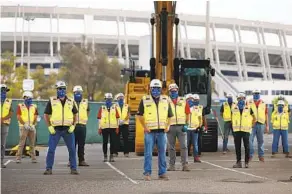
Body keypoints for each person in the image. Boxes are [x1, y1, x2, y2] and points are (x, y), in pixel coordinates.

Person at [137, 79, 173, 181]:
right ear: (150, 89)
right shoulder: (145, 100)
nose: (156, 91)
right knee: (148, 153)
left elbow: (170, 115)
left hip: (162, 132)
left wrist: (168, 126)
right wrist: (145, 127)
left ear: (161, 89)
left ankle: (162, 173)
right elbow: (139, 115)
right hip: (149, 132)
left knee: (162, 153)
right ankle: (147, 173)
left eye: (158, 89)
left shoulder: (166, 99)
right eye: (154, 89)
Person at [43, 81, 78, 175]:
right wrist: (49, 126)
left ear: (65, 90)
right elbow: (46, 115)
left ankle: (73, 168)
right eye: (59, 89)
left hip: (68, 130)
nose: (61, 90)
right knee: (51, 149)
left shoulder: (71, 101)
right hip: (55, 130)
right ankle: (48, 168)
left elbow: (76, 114)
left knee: (72, 149)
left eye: (63, 89)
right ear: (57, 90)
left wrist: (74, 125)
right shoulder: (52, 100)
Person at [166, 83, 190, 172]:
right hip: (170, 127)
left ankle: (185, 165)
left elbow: (187, 113)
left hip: (181, 126)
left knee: (183, 146)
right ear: (169, 92)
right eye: (172, 91)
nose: (173, 93)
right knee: (171, 147)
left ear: (177, 91)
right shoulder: (166, 101)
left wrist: (186, 124)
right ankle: (172, 165)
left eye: (175, 91)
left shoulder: (183, 100)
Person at [232, 92, 255, 168]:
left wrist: (251, 125)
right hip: (237, 130)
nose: (241, 100)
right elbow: (232, 118)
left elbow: (254, 118)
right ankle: (238, 162)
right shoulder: (234, 107)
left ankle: (246, 162)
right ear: (237, 99)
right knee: (237, 147)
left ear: (245, 99)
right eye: (239, 98)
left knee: (247, 147)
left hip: (245, 131)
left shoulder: (249, 107)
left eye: (242, 98)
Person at [69, 85, 90, 166]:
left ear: (82, 93)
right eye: (76, 92)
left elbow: (88, 111)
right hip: (72, 126)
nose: (78, 94)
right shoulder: (70, 101)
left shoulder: (85, 102)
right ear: (73, 93)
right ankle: (71, 160)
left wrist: (84, 119)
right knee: (72, 144)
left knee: (81, 144)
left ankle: (81, 160)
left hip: (82, 126)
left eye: (79, 92)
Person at [16, 91, 38, 163]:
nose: (29, 99)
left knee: (32, 143)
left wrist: (33, 125)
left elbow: (35, 116)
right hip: (23, 127)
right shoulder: (20, 106)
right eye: (28, 98)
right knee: (21, 143)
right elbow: (19, 116)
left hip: (31, 127)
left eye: (30, 98)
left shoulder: (34, 106)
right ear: (24, 98)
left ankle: (33, 158)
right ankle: (18, 157)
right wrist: (24, 124)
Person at [97, 93, 120, 162]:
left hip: (113, 128)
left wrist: (117, 127)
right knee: (105, 142)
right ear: (105, 100)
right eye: (107, 99)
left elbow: (117, 118)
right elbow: (99, 119)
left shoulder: (114, 108)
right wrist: (99, 128)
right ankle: (105, 155)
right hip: (104, 128)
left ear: (112, 100)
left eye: (110, 99)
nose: (108, 101)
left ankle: (111, 155)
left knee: (113, 142)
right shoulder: (102, 108)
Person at [248, 89, 269, 162]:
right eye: (255, 93)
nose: (256, 94)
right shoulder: (248, 102)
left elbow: (266, 114)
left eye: (258, 93)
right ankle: (250, 155)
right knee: (249, 140)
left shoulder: (263, 103)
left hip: (261, 124)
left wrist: (267, 126)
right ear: (253, 94)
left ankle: (261, 156)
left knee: (261, 141)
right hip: (251, 125)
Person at [187, 94, 207, 163]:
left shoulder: (197, 109)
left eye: (191, 99)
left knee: (195, 144)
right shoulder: (184, 109)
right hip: (187, 129)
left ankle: (196, 158)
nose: (190, 101)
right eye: (188, 99)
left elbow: (200, 118)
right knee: (186, 145)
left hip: (195, 129)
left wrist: (199, 126)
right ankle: (185, 159)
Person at [1, 84, 13, 168]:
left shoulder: (9, 101)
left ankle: (1, 161)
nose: (4, 93)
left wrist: (3, 119)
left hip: (4, 125)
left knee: (2, 144)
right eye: (3, 91)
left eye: (5, 91)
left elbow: (11, 113)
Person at [114, 93, 130, 157]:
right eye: (119, 98)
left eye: (122, 97)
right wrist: (118, 121)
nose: (121, 99)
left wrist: (123, 120)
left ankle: (126, 153)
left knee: (125, 138)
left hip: (125, 124)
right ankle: (115, 152)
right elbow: (113, 114)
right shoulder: (114, 106)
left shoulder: (127, 106)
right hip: (117, 124)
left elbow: (128, 114)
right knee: (116, 139)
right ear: (117, 99)